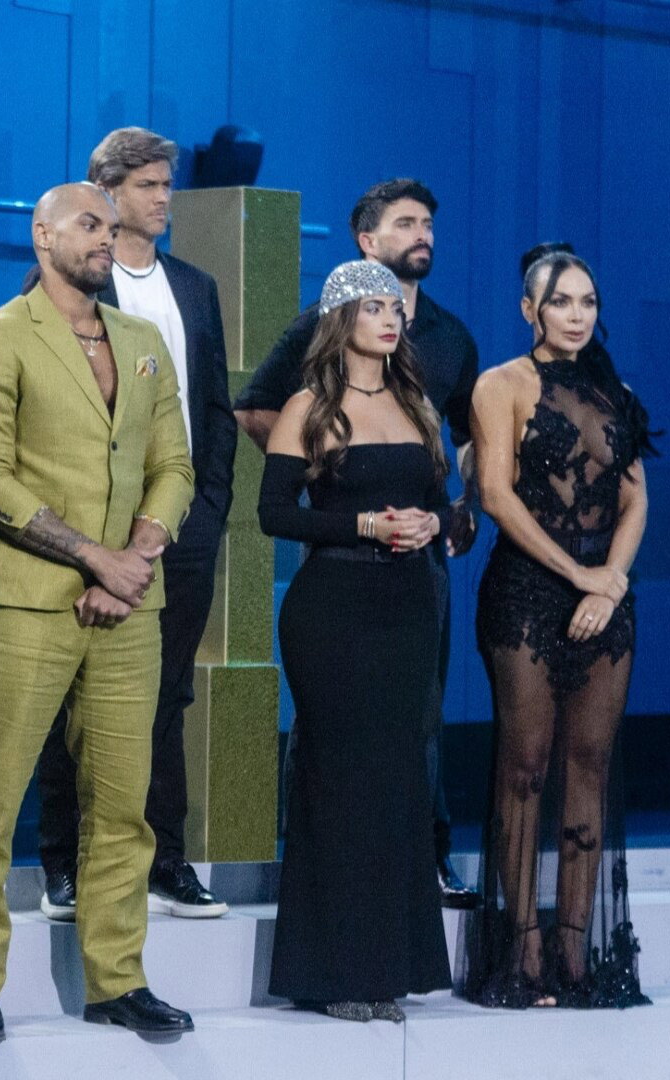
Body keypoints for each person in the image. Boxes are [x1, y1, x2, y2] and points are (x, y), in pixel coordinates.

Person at [0, 182, 196, 1044]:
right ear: (42, 235)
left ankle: (117, 979)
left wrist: (134, 561)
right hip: (28, 599)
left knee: (123, 807)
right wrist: (94, 557)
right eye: (89, 223)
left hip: (130, 606)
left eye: (111, 227)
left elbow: (175, 467)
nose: (106, 237)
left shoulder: (141, 338)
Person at [234, 178, 480, 908]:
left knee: (417, 726)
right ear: (367, 242)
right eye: (406, 222)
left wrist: (450, 514)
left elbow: (461, 444)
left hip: (415, 578)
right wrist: (330, 472)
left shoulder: (444, 347)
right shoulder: (314, 366)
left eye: (429, 221)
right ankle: (325, 894)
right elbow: (259, 430)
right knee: (337, 745)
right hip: (338, 581)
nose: (423, 232)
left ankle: (425, 862)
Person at [32, 127, 237, 923]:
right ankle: (65, 863)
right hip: (94, 530)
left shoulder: (195, 286)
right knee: (75, 694)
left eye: (166, 184)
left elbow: (213, 407)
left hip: (181, 527)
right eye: (148, 185)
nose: (163, 198)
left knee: (168, 696)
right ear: (107, 191)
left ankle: (166, 861)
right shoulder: (72, 280)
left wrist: (206, 509)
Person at [256, 260, 455, 1023]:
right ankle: (329, 971)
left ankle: (384, 970)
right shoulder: (308, 405)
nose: (390, 318)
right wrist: (364, 525)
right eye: (373, 307)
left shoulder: (418, 404)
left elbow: (445, 504)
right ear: (341, 320)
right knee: (337, 780)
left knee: (396, 780)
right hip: (333, 608)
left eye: (394, 308)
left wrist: (437, 521)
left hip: (408, 607)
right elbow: (275, 513)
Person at [461, 249, 657, 1010]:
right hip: (526, 593)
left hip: (604, 597)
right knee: (525, 767)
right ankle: (523, 948)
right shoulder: (500, 384)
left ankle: (574, 947)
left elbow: (636, 501)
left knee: (590, 767)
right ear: (529, 310)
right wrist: (580, 576)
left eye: (587, 301)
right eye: (561, 301)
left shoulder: (617, 393)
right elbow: (495, 495)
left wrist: (611, 582)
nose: (577, 315)